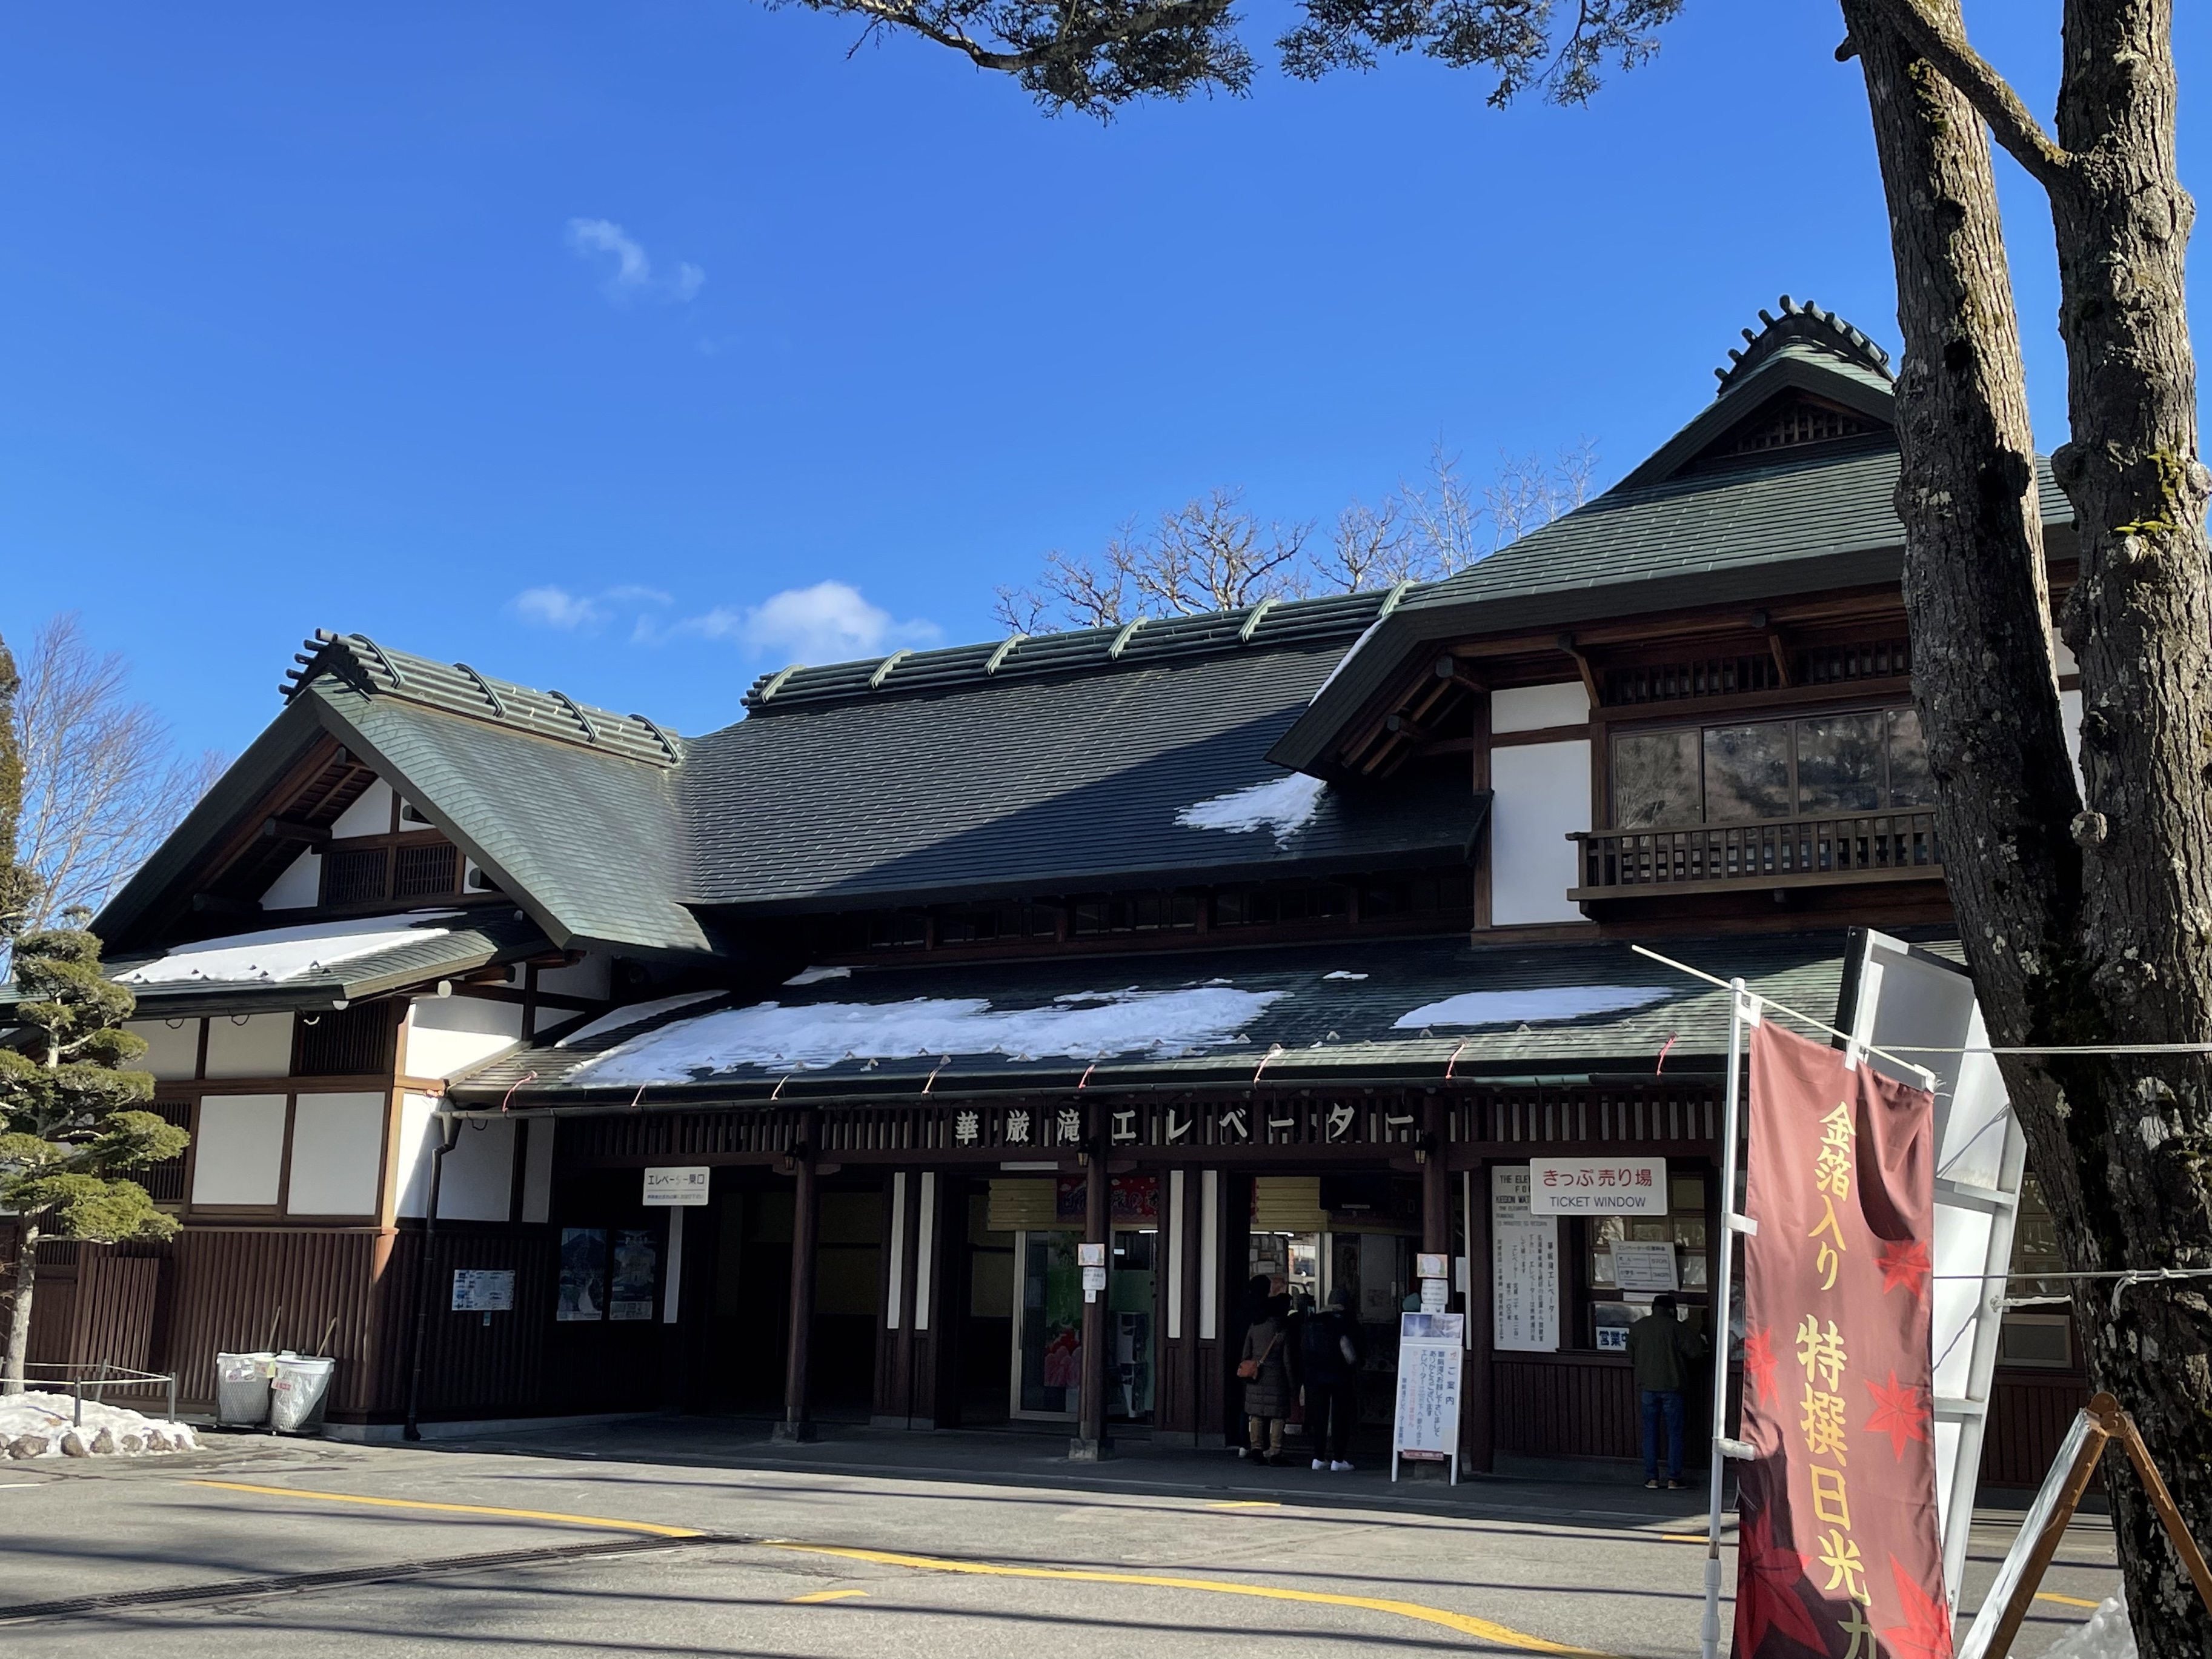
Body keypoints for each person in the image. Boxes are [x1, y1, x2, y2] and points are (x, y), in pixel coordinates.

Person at [1625, 1294, 1709, 1490]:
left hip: (1647, 1388)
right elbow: (1696, 1351)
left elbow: (1631, 1354)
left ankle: (1651, 1478)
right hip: (1673, 1388)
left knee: (1650, 1433)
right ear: (1672, 1310)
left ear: (1653, 1308)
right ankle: (1674, 1478)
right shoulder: (1677, 1328)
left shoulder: (1638, 1327)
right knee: (1675, 1433)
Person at [1300, 1288, 1366, 1471]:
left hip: (1314, 1375)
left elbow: (1303, 1348)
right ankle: (1338, 1459)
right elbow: (1354, 1352)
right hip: (1340, 1374)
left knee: (1319, 1416)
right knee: (1340, 1416)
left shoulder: (1313, 1321)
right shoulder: (1346, 1322)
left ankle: (1318, 1457)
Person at [1238, 1293, 1297, 1465]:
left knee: (1256, 1415)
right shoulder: (1282, 1330)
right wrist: (1293, 1384)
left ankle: (1257, 1448)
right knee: (1278, 1417)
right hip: (1277, 1378)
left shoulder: (1255, 1326)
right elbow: (1287, 1361)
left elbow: (1245, 1354)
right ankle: (1276, 1452)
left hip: (1255, 1377)